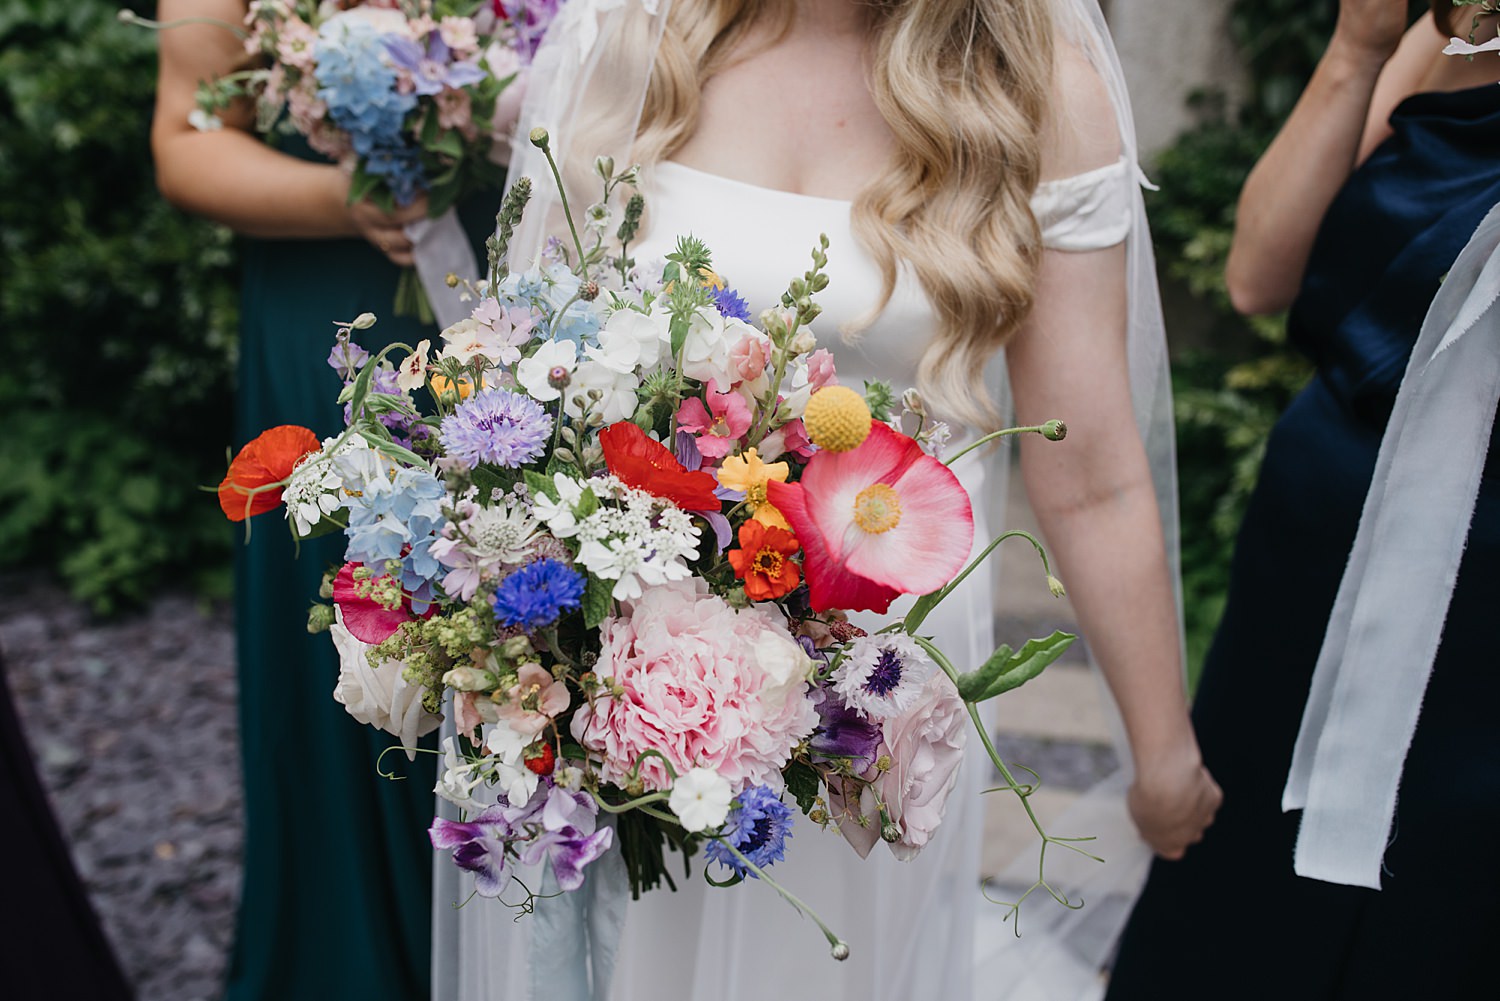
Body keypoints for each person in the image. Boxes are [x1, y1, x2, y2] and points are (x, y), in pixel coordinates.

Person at [434, 1, 1219, 998]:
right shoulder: (633, 32)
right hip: (623, 648)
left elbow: (1093, 471)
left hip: (873, 682)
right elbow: (523, 371)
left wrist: (1162, 752)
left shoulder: (1036, 80)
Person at [1106, 2, 1500, 996]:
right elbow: (1256, 274)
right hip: (1313, 555)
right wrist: (1359, 45)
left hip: (1481, 606)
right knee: (1242, 896)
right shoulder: (1453, 34)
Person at [151, 3, 497, 997]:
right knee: (359, 663)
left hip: (529, 288)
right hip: (341, 311)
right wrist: (349, 197)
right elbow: (185, 140)